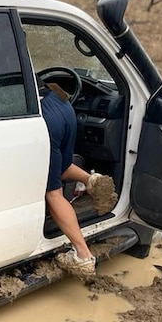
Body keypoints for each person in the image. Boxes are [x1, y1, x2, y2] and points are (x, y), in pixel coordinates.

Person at [41, 83, 116, 279]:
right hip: (61, 102)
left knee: (52, 192)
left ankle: (83, 255)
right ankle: (92, 180)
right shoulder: (4, 63)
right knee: (61, 165)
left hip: (45, 118)